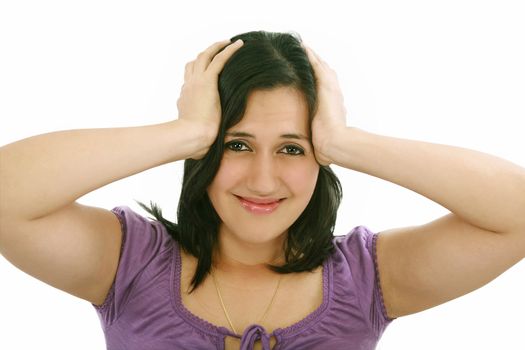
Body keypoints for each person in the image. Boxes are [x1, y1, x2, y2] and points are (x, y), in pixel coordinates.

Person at [0, 30, 524, 350]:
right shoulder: (129, 262)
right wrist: (187, 133)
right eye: (238, 145)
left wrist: (346, 141)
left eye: (293, 148)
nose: (264, 180)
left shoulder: (368, 277)